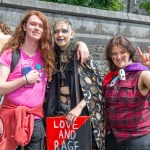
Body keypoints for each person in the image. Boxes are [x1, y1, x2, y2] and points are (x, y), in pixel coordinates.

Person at [0, 10, 89, 150]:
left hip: (36, 119)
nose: (37, 28)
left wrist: (81, 44)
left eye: (40, 26)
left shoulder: (48, 53)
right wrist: (24, 79)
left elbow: (66, 44)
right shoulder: (10, 54)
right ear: (24, 26)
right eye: (33, 24)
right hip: (10, 118)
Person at [44, 18, 105, 150]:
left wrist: (78, 108)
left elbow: (97, 88)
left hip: (79, 111)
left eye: (64, 31)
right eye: (56, 32)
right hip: (57, 111)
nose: (60, 35)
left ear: (72, 33)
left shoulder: (82, 55)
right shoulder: (52, 56)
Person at [103, 35, 150, 150]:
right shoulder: (111, 76)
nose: (118, 57)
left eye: (122, 52)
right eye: (114, 53)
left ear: (130, 52)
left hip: (137, 140)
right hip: (113, 139)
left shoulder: (141, 74)